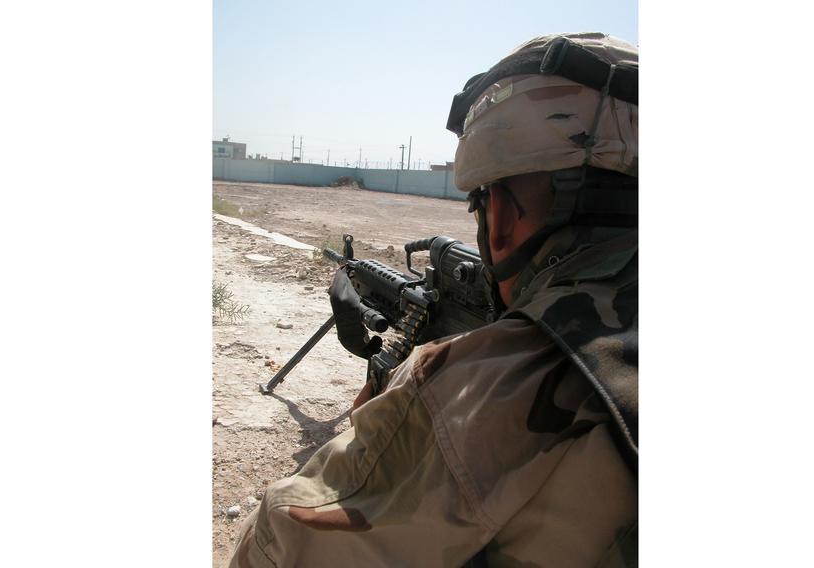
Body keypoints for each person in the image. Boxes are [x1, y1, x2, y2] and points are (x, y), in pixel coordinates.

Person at [229, 32, 638, 567]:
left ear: (503, 219)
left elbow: (276, 545)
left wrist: (395, 381)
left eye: (481, 205)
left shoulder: (492, 385)